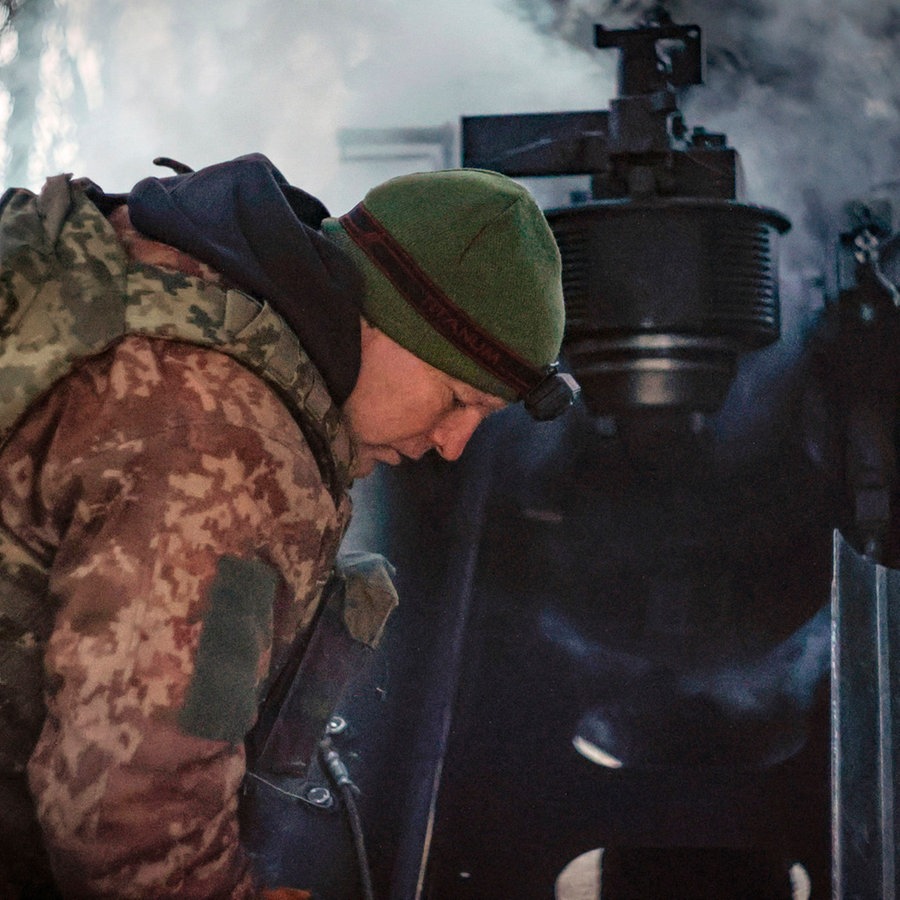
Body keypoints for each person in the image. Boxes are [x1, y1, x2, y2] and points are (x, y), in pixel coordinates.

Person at [0, 152, 576, 898]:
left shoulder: (173, 279)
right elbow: (134, 813)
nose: (452, 443)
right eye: (458, 399)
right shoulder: (236, 450)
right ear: (391, 327)